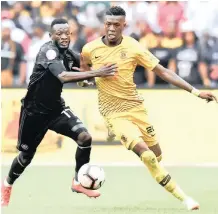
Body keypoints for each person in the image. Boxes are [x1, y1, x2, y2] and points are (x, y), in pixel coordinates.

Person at [78, 6, 217, 210]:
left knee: (157, 155)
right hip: (113, 112)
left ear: (124, 26)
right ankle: (185, 198)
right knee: (148, 156)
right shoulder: (90, 49)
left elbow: (162, 71)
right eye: (108, 24)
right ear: (104, 24)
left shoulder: (133, 47)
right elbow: (83, 74)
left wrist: (195, 92)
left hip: (136, 108)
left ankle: (151, 164)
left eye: (117, 25)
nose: (111, 28)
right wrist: (91, 77)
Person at [1, 18, 117, 206]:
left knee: (85, 138)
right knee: (25, 157)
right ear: (51, 36)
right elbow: (63, 76)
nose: (64, 36)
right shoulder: (48, 51)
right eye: (59, 33)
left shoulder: (68, 54)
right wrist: (96, 73)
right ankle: (7, 184)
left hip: (56, 109)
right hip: (33, 113)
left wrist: (88, 76)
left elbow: (81, 68)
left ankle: (78, 181)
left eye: (67, 33)